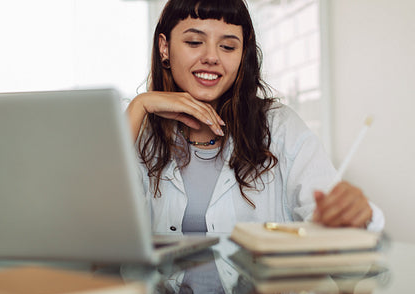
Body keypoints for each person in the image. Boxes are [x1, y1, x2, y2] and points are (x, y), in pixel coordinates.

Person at [126, 0, 384, 235]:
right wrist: (139, 106)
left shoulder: (279, 126)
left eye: (228, 46)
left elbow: (332, 217)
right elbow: (97, 223)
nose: (212, 57)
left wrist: (355, 215)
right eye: (194, 42)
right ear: (164, 47)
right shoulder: (139, 130)